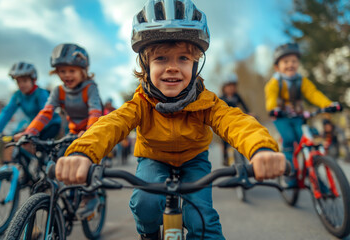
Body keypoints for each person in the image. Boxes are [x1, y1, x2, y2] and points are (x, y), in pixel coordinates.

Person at [56, 1, 286, 239]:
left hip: (193, 160)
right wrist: (81, 153)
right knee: (145, 203)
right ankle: (149, 234)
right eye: (161, 59)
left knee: (202, 219)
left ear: (196, 64)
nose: (173, 68)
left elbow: (237, 122)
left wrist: (261, 150)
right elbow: (110, 124)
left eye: (184, 58)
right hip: (153, 158)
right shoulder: (141, 103)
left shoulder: (207, 103)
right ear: (145, 66)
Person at [18, 43, 103, 218]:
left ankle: (91, 197)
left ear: (83, 71)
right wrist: (30, 132)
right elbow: (46, 112)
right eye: (62, 71)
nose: (66, 75)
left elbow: (95, 111)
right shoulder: (59, 91)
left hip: (92, 132)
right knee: (60, 163)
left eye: (71, 71)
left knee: (85, 165)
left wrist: (88, 134)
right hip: (72, 133)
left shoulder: (90, 88)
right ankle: (67, 196)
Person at [264, 43, 340, 186]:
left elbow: (313, 94)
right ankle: (290, 172)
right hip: (281, 118)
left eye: (293, 61)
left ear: (298, 63)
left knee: (306, 141)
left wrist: (327, 104)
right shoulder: (274, 83)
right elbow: (271, 98)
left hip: (298, 116)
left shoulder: (301, 80)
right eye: (285, 62)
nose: (290, 65)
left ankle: (314, 174)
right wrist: (273, 108)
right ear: (277, 67)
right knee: (289, 139)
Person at [0, 62, 61, 160]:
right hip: (32, 127)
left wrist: (31, 132)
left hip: (50, 125)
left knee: (40, 150)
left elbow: (45, 114)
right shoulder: (18, 96)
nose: (21, 84)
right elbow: (6, 112)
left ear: (33, 80)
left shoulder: (40, 93)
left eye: (25, 81)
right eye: (18, 82)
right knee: (18, 144)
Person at [219, 75, 251, 165]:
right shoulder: (221, 98)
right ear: (224, 88)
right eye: (229, 86)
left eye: (233, 86)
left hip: (236, 121)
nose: (231, 88)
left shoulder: (237, 96)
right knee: (224, 140)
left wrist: (249, 113)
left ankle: (243, 154)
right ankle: (225, 157)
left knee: (241, 136)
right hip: (225, 122)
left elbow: (245, 106)